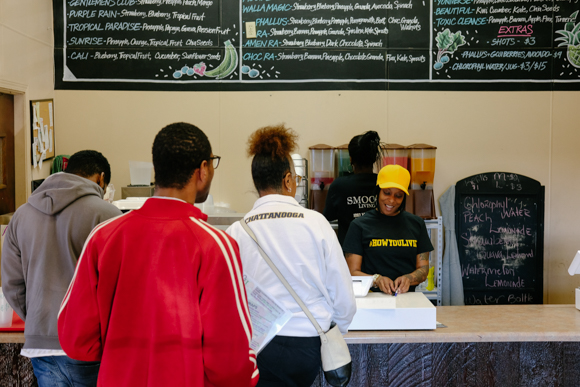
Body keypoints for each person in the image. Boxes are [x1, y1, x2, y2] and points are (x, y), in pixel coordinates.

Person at [57, 123, 258, 387]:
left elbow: (76, 338)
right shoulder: (216, 246)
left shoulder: (103, 237)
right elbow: (231, 366)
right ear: (203, 170)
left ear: (156, 170)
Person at [227, 124, 356, 387]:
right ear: (288, 180)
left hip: (257, 348)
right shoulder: (316, 223)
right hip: (306, 347)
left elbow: (229, 300)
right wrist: (336, 329)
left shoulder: (236, 232)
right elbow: (343, 298)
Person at [1, 150, 122, 386]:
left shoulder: (22, 215)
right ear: (101, 178)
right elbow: (120, 286)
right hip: (88, 344)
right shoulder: (108, 215)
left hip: (40, 346)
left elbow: (12, 285)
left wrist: (39, 319)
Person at [343, 164, 434, 294]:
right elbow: (352, 272)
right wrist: (377, 279)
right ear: (378, 191)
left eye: (398, 195)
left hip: (405, 299)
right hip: (371, 298)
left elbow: (423, 269)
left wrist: (409, 278)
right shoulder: (359, 225)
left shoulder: (416, 224)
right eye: (387, 193)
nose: (391, 200)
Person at [323, 131, 383, 245]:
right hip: (378, 252)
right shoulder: (383, 184)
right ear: (375, 159)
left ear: (351, 159)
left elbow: (328, 216)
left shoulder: (339, 186)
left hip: (349, 253)